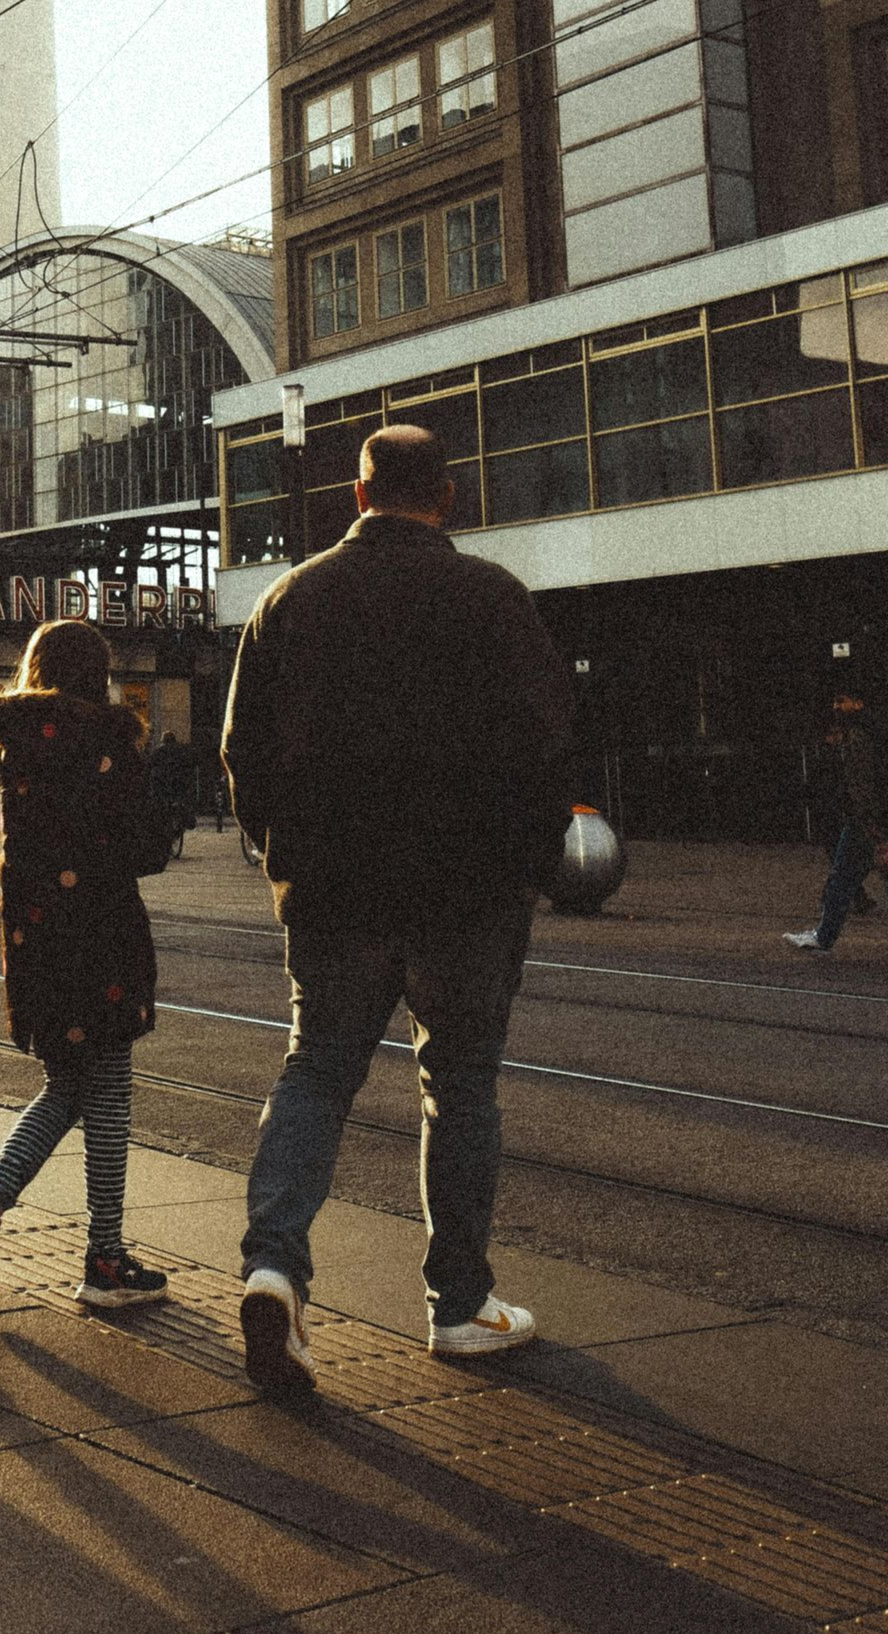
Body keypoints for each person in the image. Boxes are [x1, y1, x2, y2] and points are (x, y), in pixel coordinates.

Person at [222, 424, 574, 1390]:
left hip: (335, 893)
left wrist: (282, 853)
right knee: (460, 1089)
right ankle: (459, 1308)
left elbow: (243, 753)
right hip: (467, 895)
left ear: (358, 491)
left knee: (317, 1073)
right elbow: (548, 743)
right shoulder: (494, 598)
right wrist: (527, 865)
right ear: (448, 496)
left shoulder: (291, 598)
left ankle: (273, 1269)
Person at [0, 619, 173, 1311]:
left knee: (69, 1084)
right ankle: (103, 1257)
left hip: (38, 940)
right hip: (102, 934)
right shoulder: (110, 741)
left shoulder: (11, 748)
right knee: (109, 1088)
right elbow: (143, 848)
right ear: (96, 676)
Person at [787, 692, 883, 953]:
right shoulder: (871, 730)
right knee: (845, 878)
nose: (836, 706)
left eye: (843, 701)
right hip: (869, 820)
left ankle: (824, 936)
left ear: (858, 702)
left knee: (841, 879)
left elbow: (862, 785)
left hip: (865, 822)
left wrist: (875, 827)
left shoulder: (859, 738)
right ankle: (823, 935)